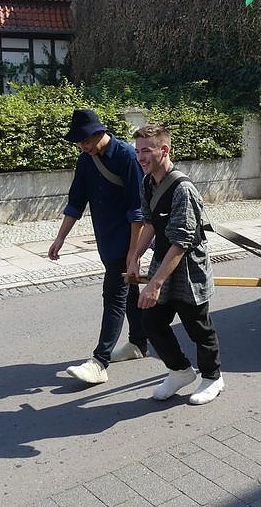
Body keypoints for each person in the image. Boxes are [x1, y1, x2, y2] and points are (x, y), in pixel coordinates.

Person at [48, 109, 148, 384]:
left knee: (114, 296)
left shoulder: (127, 156)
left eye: (84, 140)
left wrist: (133, 253)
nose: (82, 146)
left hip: (127, 239)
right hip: (106, 238)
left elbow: (136, 209)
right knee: (129, 292)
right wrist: (60, 238)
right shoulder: (86, 160)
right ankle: (139, 343)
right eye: (79, 142)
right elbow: (76, 202)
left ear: (98, 133)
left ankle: (100, 362)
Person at [127, 124, 224, 405]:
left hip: (189, 269)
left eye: (146, 151)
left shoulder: (183, 189)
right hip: (163, 261)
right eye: (138, 152)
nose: (140, 157)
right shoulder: (148, 182)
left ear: (164, 150)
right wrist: (134, 258)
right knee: (152, 322)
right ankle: (180, 371)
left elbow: (181, 243)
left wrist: (155, 284)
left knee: (198, 327)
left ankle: (213, 377)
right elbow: (149, 223)